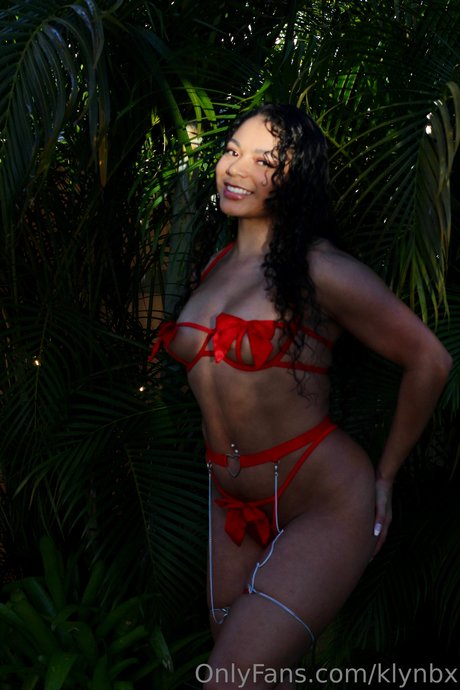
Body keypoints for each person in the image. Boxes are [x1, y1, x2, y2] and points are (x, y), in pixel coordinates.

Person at [149, 104, 452, 689]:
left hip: (323, 500)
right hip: (231, 503)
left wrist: (386, 477)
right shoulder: (216, 265)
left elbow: (431, 360)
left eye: (265, 161)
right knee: (257, 671)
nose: (237, 168)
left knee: (231, 678)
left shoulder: (322, 270)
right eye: (232, 151)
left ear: (296, 178)